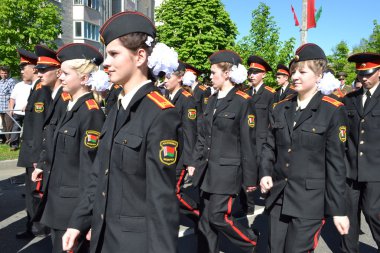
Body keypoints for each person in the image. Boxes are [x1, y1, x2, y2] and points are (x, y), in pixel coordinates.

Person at [62, 11, 181, 253]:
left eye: (114, 54)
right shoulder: (117, 107)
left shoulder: (160, 113)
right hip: (104, 237)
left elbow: (161, 201)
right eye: (107, 55)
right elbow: (99, 174)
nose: (106, 62)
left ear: (139, 56)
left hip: (135, 244)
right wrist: (78, 222)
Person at [260, 43, 350, 253]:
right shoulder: (281, 107)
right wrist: (265, 172)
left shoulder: (332, 110)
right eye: (293, 72)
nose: (294, 77)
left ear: (319, 75)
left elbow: (336, 164)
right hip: (280, 196)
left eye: (302, 71)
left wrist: (338, 210)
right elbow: (268, 146)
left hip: (310, 202)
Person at [31, 43, 105, 252]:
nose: (60, 77)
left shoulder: (91, 113)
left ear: (83, 78)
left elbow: (91, 170)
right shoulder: (70, 106)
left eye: (65, 73)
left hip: (73, 210)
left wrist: (86, 217)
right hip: (58, 205)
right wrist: (43, 167)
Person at [188, 50, 258, 253]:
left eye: (213, 72)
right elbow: (203, 136)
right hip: (206, 170)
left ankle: (250, 241)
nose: (210, 77)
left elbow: (248, 142)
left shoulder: (243, 101)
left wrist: (250, 179)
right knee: (204, 221)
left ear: (226, 73)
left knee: (218, 216)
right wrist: (194, 162)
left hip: (227, 172)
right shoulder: (211, 100)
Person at [341, 52, 380, 253]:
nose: (363, 77)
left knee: (373, 212)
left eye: (368, 73)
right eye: (360, 73)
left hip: (376, 169)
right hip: (351, 168)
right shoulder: (350, 100)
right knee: (348, 215)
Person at [16, 48, 53, 239]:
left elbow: (40, 126)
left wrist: (39, 156)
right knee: (31, 192)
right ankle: (33, 226)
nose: (22, 71)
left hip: (34, 152)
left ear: (34, 67)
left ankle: (38, 228)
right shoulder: (36, 88)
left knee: (35, 192)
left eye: (25, 67)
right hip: (30, 150)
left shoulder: (41, 90)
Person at [165, 61, 199, 220]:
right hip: (167, 153)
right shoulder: (165, 96)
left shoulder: (187, 99)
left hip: (180, 155)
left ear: (179, 78)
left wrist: (190, 161)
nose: (164, 80)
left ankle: (199, 216)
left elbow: (190, 132)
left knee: (174, 191)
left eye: (168, 76)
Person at [242, 55, 275, 215]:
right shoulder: (245, 93)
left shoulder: (270, 94)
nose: (251, 75)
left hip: (262, 143)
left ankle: (270, 206)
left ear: (264, 74)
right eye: (250, 72)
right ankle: (247, 208)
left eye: (255, 72)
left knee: (264, 176)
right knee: (246, 175)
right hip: (247, 142)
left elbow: (272, 122)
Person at [8, 49, 35, 151]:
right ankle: (14, 144)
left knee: (28, 129)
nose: (22, 74)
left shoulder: (34, 85)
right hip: (17, 111)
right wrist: (11, 108)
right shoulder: (18, 85)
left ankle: (27, 144)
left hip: (28, 111)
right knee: (15, 128)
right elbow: (12, 98)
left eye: (24, 70)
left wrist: (28, 105)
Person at [0, 65, 17, 143]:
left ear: (8, 73)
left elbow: (13, 95)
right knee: (4, 125)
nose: (4, 75)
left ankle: (12, 141)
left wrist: (11, 107)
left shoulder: (11, 81)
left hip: (8, 107)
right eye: (2, 73)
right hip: (1, 107)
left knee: (9, 124)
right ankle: (7, 140)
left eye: (5, 73)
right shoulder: (0, 82)